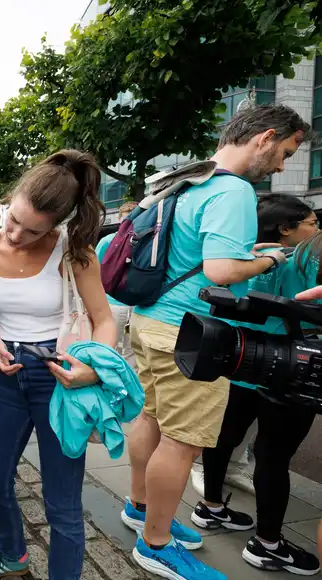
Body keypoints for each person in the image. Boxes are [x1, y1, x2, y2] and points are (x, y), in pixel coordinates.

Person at [123, 103, 307, 580]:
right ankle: (157, 543)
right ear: (265, 137)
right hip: (192, 333)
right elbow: (221, 271)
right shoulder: (233, 191)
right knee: (182, 441)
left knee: (149, 417)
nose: (283, 165)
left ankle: (141, 507)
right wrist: (267, 261)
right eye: (285, 152)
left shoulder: (186, 180)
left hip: (148, 320)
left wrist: (247, 253)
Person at [0, 150, 117, 580]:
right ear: (9, 200)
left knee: (62, 503)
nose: (14, 234)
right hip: (9, 374)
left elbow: (104, 319)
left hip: (60, 376)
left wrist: (95, 370)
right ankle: (13, 555)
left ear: (56, 225)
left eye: (34, 231)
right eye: (11, 218)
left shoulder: (75, 251)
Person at [190, 218, 320, 576]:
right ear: (284, 226)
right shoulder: (312, 256)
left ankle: (210, 507)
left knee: (223, 439)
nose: (314, 226)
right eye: (309, 221)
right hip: (292, 368)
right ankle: (268, 545)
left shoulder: (253, 256)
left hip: (243, 360)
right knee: (273, 456)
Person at [94, 201, 138, 368]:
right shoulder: (146, 240)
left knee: (112, 346)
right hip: (120, 304)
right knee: (129, 350)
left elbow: (95, 273)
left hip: (121, 304)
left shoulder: (108, 240)